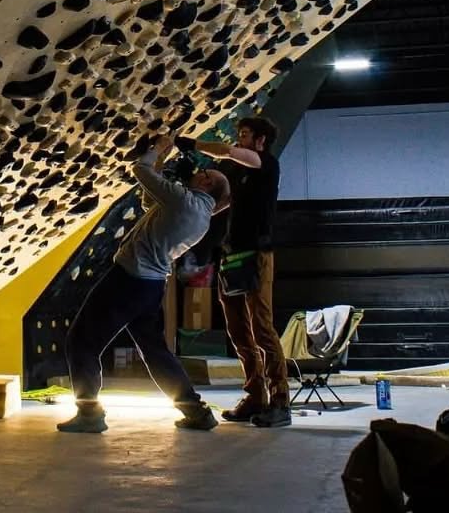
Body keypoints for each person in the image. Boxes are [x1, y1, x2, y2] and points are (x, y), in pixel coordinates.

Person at [57, 134, 231, 433]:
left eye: (203, 172)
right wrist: (161, 165)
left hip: (128, 279)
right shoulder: (200, 214)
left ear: (206, 184)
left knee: (82, 341)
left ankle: (89, 413)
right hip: (151, 286)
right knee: (155, 352)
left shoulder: (185, 201)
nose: (197, 172)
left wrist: (158, 150)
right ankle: (196, 412)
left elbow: (139, 170)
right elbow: (149, 200)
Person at [176, 116, 290, 428]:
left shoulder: (266, 164)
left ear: (261, 140)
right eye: (239, 134)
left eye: (245, 135)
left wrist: (195, 144)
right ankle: (255, 397)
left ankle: (280, 400)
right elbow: (221, 205)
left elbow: (226, 151)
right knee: (239, 331)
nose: (239, 140)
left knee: (262, 328)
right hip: (232, 255)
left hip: (257, 255)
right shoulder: (239, 174)